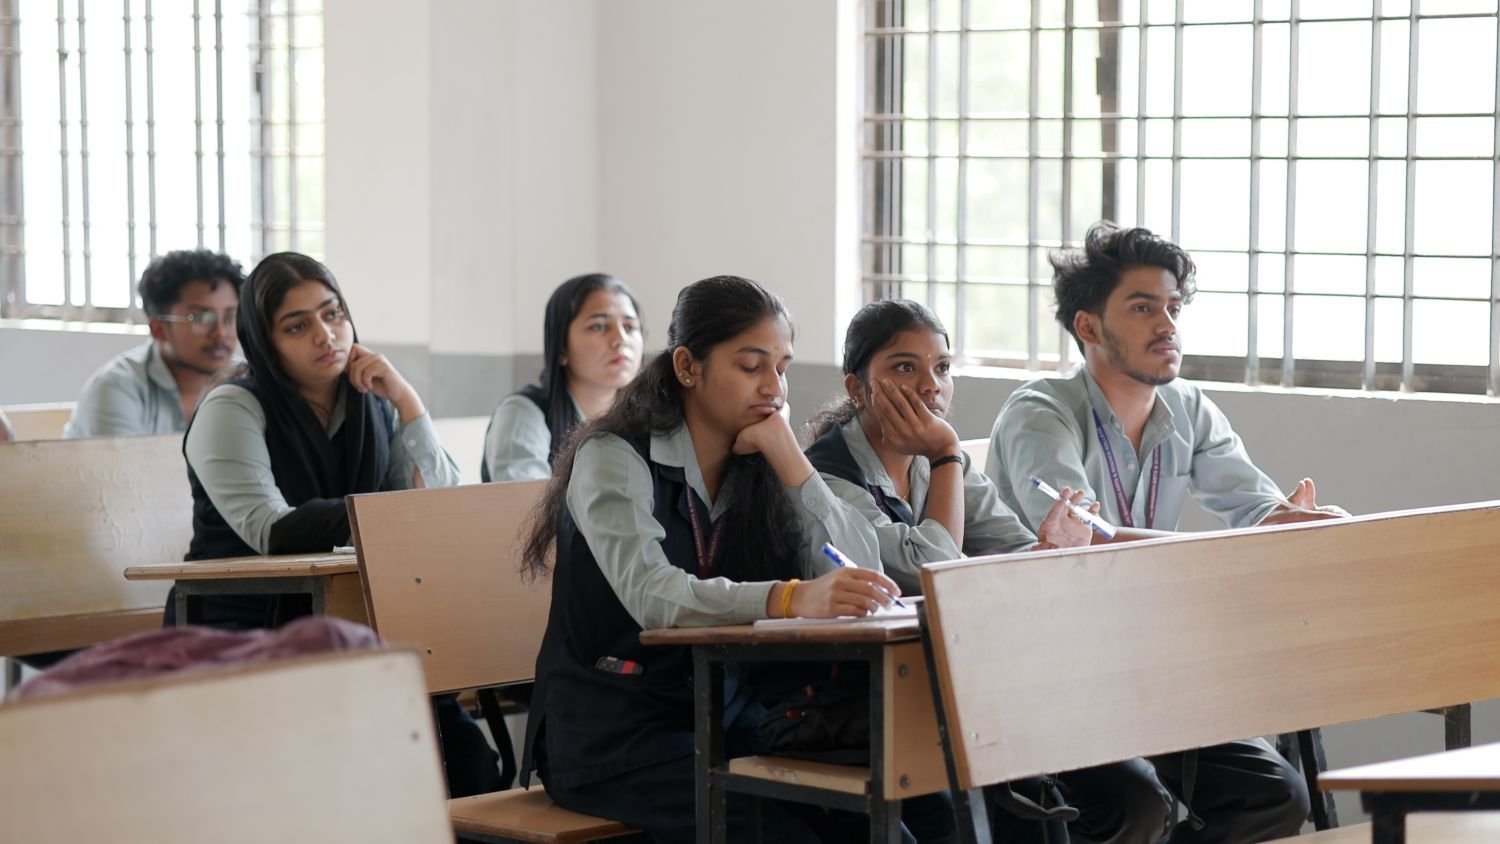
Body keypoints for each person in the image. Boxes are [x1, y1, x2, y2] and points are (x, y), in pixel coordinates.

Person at [517, 275, 946, 843]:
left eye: (782, 369)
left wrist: (792, 460)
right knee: (788, 838)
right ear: (687, 367)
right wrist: (790, 598)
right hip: (616, 733)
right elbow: (652, 595)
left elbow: (856, 567)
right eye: (750, 366)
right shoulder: (614, 456)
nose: (774, 388)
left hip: (728, 719)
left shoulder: (760, 458)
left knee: (913, 817)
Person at [988, 222, 1328, 843]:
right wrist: (1222, 551)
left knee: (1277, 797)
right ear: (1089, 327)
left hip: (1147, 661)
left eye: (1173, 307)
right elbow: (1090, 539)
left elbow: (1258, 510)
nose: (1167, 324)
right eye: (1143, 308)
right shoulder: (1040, 412)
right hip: (1049, 670)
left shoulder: (1188, 407)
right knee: (1136, 808)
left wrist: (1300, 524)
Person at [166, 251, 500, 797]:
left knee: (464, 763)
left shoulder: (371, 401)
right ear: (266, 342)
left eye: (333, 314)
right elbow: (271, 531)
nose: (326, 335)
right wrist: (388, 515)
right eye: (297, 326)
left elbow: (433, 508)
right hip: (244, 625)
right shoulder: (233, 407)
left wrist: (408, 401)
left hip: (355, 624)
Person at [803, 298, 1091, 843]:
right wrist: (944, 456)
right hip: (864, 701)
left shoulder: (939, 461)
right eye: (904, 367)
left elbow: (1011, 551)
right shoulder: (827, 476)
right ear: (857, 388)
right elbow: (931, 570)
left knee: (1077, 796)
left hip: (956, 686)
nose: (931, 386)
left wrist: (1046, 550)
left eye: (942, 368)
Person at [64, 249, 244, 438]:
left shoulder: (245, 379)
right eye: (201, 318)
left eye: (230, 317)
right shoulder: (118, 388)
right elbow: (122, 460)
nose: (221, 332)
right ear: (159, 328)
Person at [483, 273, 643, 481]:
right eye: (598, 326)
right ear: (561, 349)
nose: (620, 339)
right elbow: (525, 500)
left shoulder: (644, 417)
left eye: (630, 327)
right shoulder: (523, 412)